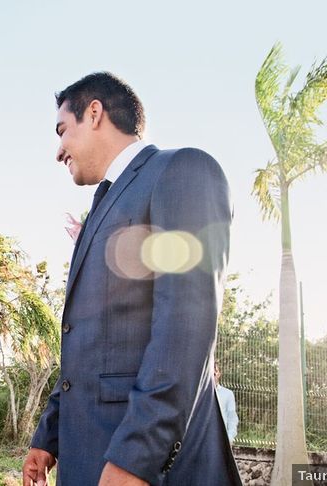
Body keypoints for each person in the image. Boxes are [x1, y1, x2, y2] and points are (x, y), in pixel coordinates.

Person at [23, 72, 242, 486]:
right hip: (89, 457)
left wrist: (137, 457)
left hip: (143, 469)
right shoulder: (101, 209)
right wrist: (49, 436)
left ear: (94, 113)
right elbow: (87, 343)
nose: (58, 150)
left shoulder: (181, 170)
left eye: (62, 130)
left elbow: (185, 326)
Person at [214, 361, 239, 443]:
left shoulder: (227, 394)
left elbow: (232, 417)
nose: (213, 374)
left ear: (219, 374)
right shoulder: (200, 394)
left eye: (215, 372)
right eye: (211, 373)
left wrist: (229, 438)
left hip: (221, 440)